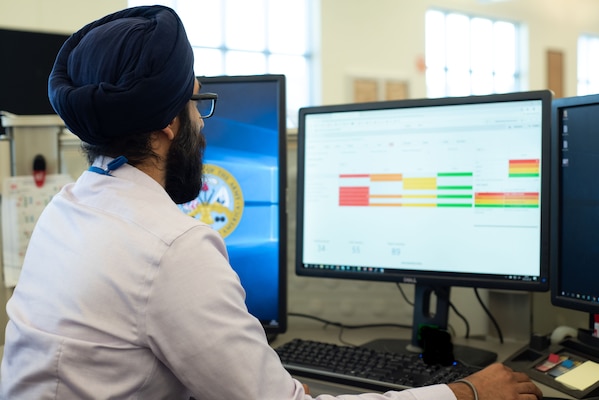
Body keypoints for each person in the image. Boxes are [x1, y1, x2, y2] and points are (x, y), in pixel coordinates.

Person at [0, 5, 543, 400]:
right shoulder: (171, 247)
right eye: (197, 104)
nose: (200, 123)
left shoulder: (68, 211)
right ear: (168, 123)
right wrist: (465, 394)